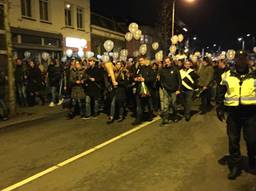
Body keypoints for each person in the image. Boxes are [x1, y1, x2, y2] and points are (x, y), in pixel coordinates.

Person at [216, 54, 256, 180]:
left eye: (244, 61)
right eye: (239, 61)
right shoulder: (227, 75)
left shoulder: (254, 75)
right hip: (233, 114)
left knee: (252, 140)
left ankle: (252, 161)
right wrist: (219, 107)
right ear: (235, 62)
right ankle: (235, 166)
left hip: (251, 113)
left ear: (248, 62)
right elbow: (220, 92)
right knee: (233, 141)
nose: (242, 63)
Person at [132, 57, 155, 125]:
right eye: (139, 61)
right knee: (139, 105)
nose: (140, 62)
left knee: (149, 103)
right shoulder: (138, 69)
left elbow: (152, 78)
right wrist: (135, 79)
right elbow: (134, 76)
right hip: (139, 90)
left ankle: (150, 115)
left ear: (145, 61)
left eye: (142, 60)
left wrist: (144, 79)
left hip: (147, 89)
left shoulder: (149, 69)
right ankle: (138, 119)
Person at [159, 57, 181, 125]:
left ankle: (175, 116)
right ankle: (165, 119)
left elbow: (179, 80)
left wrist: (178, 89)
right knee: (166, 105)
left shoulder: (175, 69)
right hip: (166, 90)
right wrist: (163, 86)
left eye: (168, 62)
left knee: (173, 104)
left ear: (170, 62)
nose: (167, 63)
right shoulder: (162, 70)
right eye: (166, 62)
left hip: (174, 90)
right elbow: (161, 80)